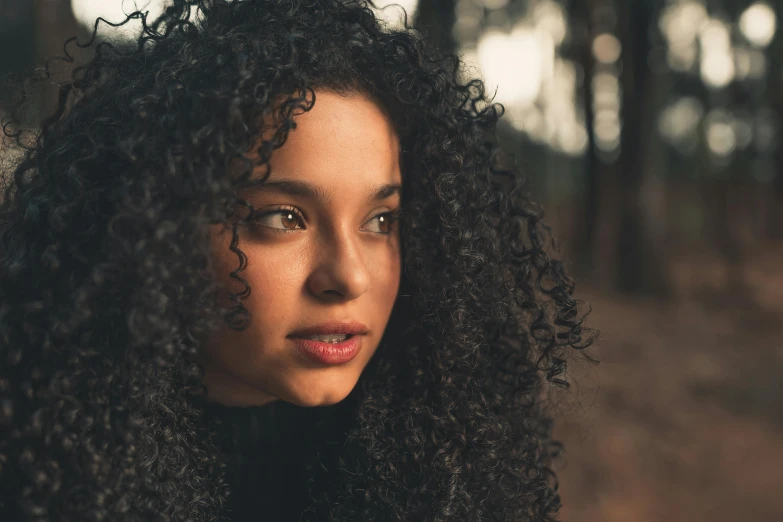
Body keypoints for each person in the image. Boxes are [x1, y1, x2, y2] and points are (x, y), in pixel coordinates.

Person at [0, 0, 594, 521]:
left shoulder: (447, 470)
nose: (350, 276)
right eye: (283, 217)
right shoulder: (34, 469)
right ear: (153, 225)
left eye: (381, 221)